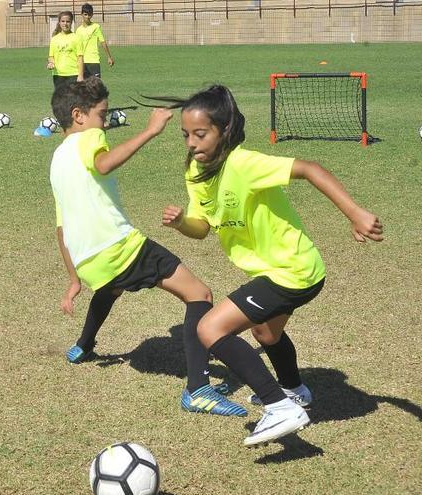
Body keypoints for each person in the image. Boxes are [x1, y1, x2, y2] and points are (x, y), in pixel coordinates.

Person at [160, 85, 384, 446]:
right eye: (186, 135)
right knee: (266, 334)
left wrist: (355, 214)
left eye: (200, 134)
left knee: (209, 328)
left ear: (225, 130)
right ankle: (295, 391)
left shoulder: (245, 164)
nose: (191, 142)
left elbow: (310, 169)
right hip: (284, 272)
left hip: (292, 271)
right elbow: (202, 228)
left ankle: (278, 406)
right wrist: (182, 222)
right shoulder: (196, 172)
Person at [50, 78, 248, 418]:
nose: (105, 121)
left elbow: (60, 228)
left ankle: (83, 346)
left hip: (89, 259)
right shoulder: (91, 137)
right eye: (102, 114)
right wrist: (151, 130)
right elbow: (104, 164)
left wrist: (73, 279)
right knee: (199, 294)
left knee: (111, 287)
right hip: (119, 247)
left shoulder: (56, 161)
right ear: (78, 115)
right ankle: (198, 390)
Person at [47, 11, 84, 91]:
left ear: (71, 23)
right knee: (61, 101)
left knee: (74, 101)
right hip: (58, 75)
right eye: (63, 21)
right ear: (59, 23)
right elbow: (51, 56)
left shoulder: (76, 38)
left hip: (73, 74)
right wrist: (51, 63)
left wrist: (80, 75)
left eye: (68, 21)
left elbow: (80, 58)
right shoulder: (54, 39)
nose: (65, 24)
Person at [76, 3, 114, 79]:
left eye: (89, 15)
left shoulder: (96, 27)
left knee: (96, 87)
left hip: (94, 61)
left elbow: (102, 42)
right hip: (82, 62)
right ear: (82, 14)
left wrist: (109, 57)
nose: (87, 17)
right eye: (85, 14)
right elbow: (76, 47)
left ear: (92, 15)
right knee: (83, 87)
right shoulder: (78, 30)